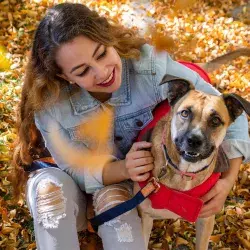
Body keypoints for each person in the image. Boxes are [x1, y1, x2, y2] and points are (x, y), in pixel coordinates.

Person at [12, 3, 250, 250]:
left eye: (102, 53)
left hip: (124, 187)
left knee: (124, 237)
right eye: (82, 71)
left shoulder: (149, 66)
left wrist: (227, 181)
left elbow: (229, 113)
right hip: (68, 183)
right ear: (64, 77)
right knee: (51, 198)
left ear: (109, 38)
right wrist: (124, 168)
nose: (102, 72)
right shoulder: (50, 105)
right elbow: (72, 170)